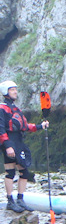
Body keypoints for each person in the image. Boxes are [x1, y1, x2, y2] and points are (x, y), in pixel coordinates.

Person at [0, 80, 49, 213]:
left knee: (25, 171)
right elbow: (1, 129)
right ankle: (10, 201)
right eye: (12, 90)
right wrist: (8, 145)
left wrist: (40, 126)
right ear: (6, 92)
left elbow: (25, 126)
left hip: (19, 142)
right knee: (10, 172)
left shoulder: (16, 109)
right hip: (9, 142)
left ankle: (20, 199)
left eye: (15, 89)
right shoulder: (2, 108)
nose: (15, 91)